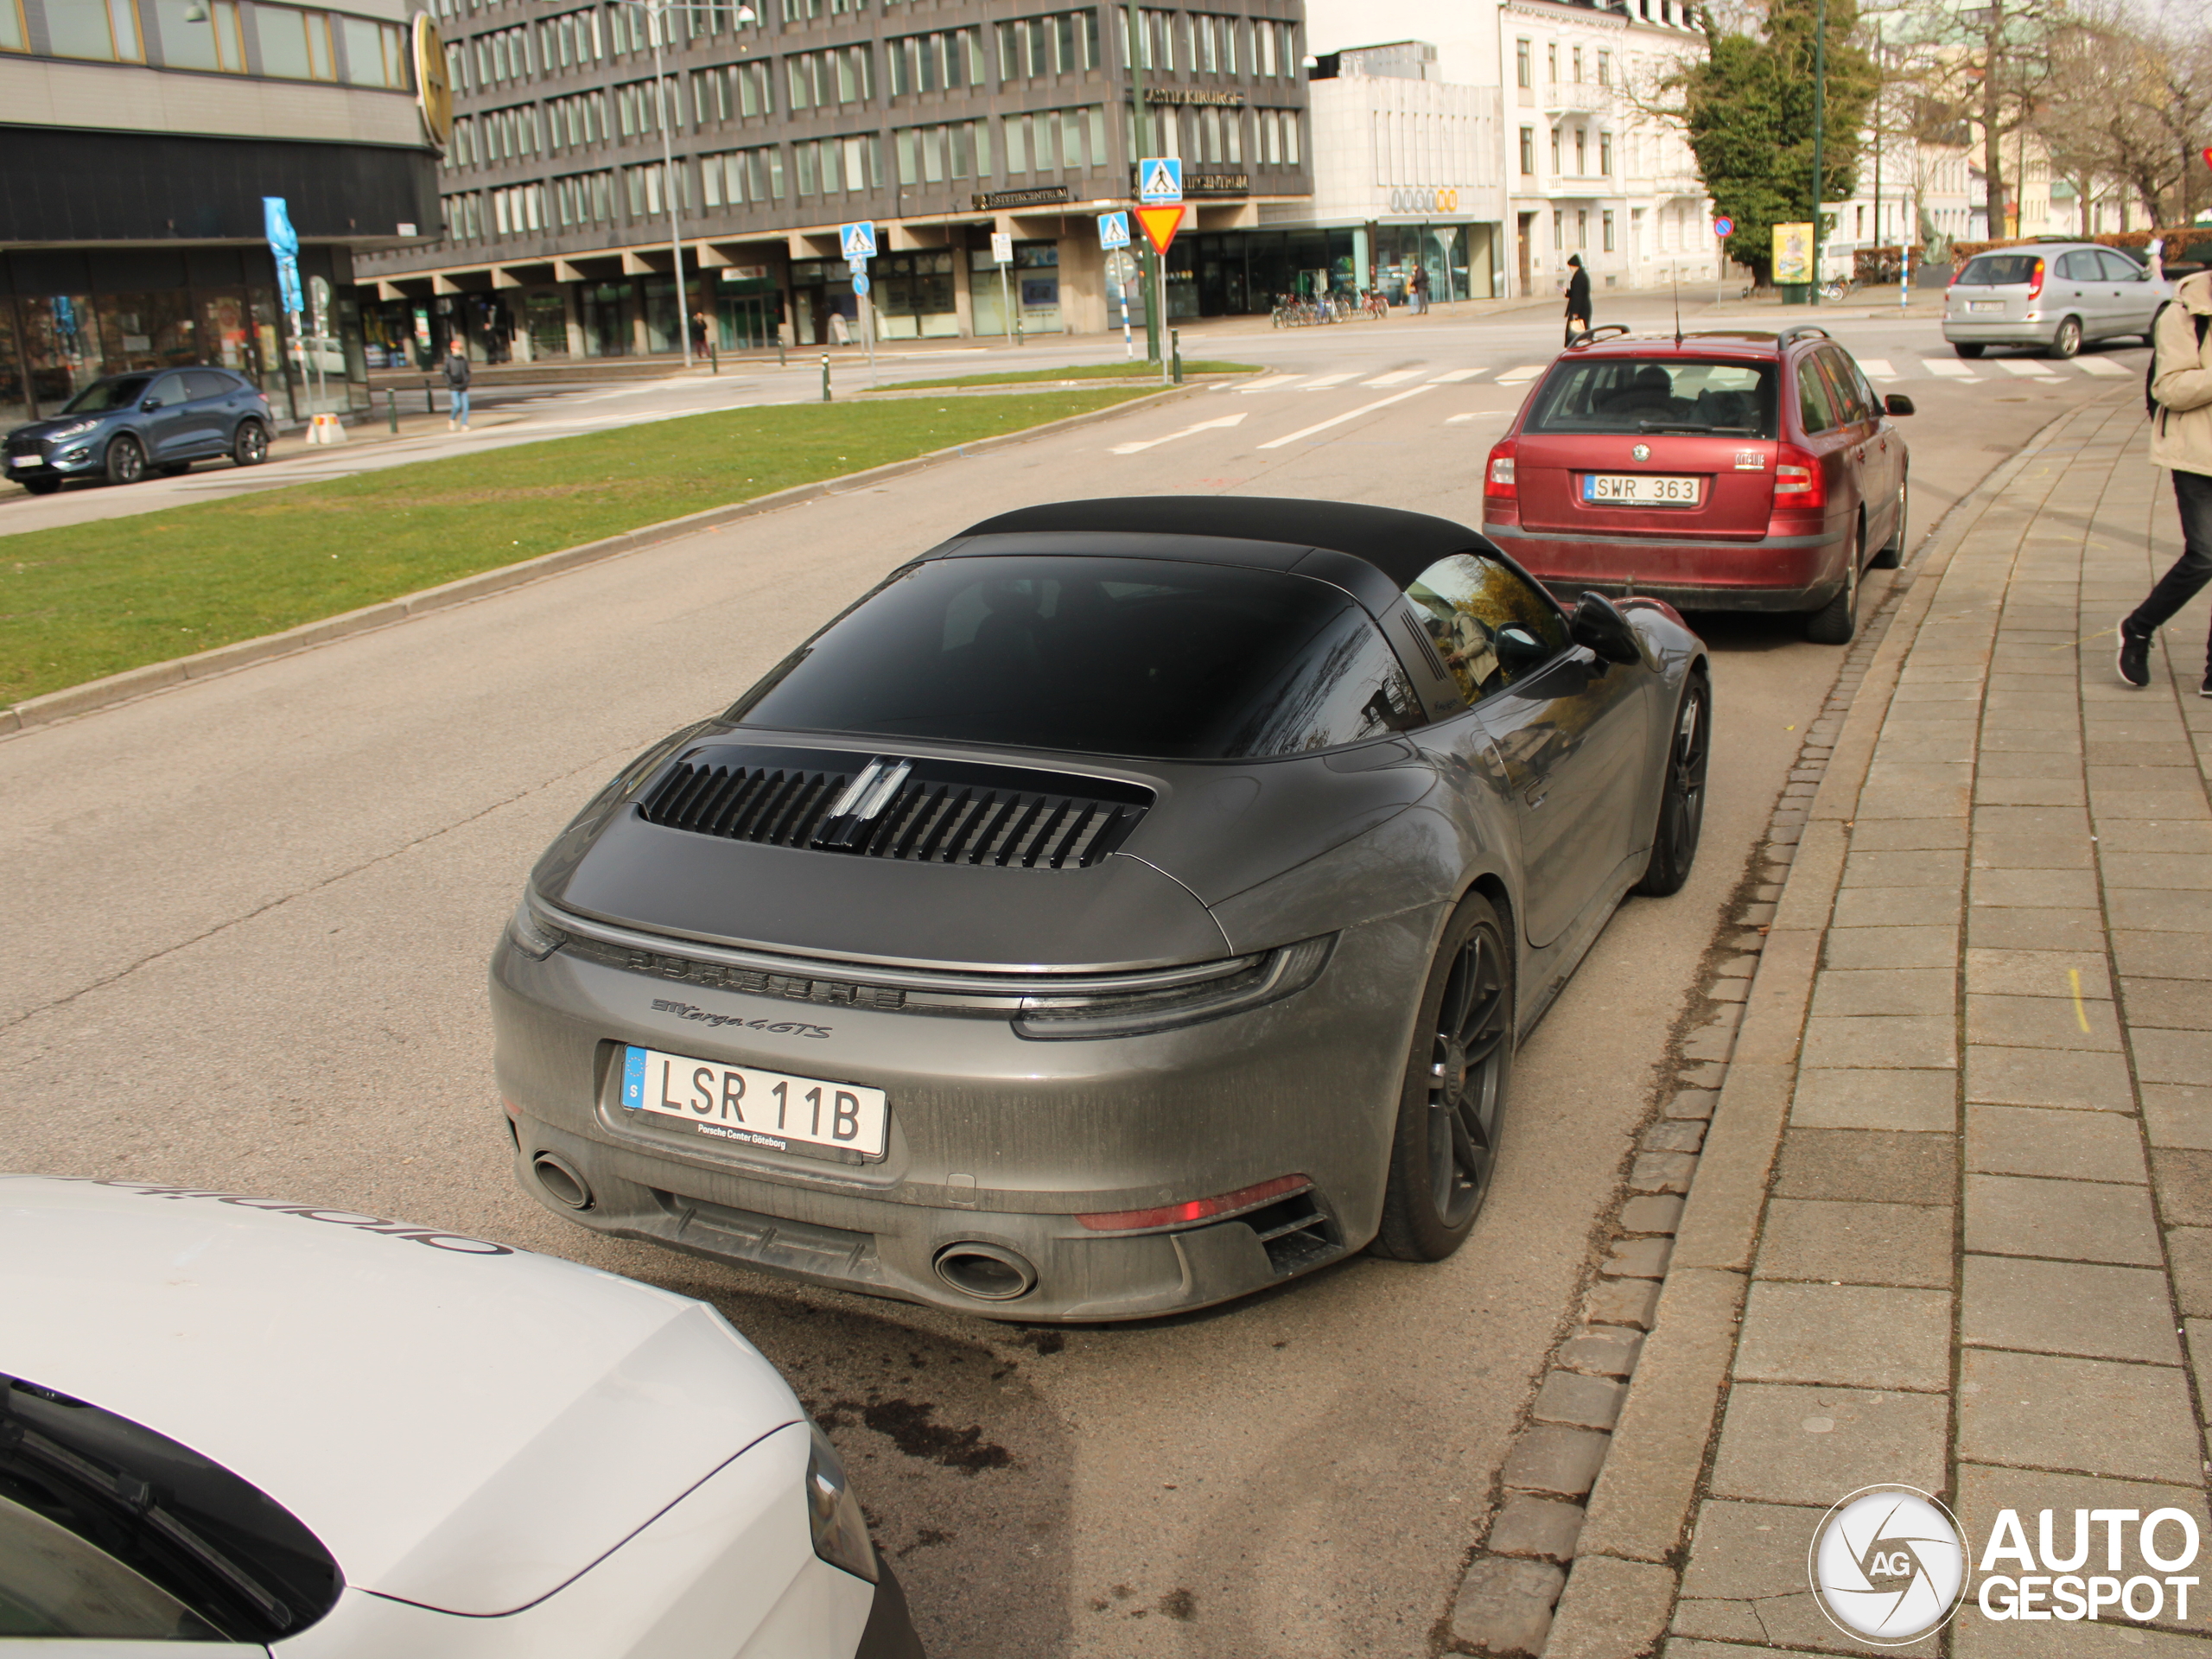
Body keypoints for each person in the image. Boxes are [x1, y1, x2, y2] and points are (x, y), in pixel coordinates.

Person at [2117, 257, 2212, 696]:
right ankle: (2138, 627)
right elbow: (2168, 388)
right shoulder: (2184, 315)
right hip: (2196, 453)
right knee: (2205, 555)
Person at [442, 336, 472, 433]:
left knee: (466, 406)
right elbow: (445, 372)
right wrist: (450, 383)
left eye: (460, 349)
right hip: (454, 386)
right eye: (457, 348)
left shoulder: (463, 360)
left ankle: (464, 424)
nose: (459, 350)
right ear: (452, 349)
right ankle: (452, 419)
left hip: (463, 386)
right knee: (457, 405)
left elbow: (467, 371)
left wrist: (467, 381)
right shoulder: (449, 360)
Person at [1564, 253, 1592, 346]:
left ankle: (1577, 346)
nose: (1570, 269)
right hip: (1584, 307)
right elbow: (1576, 293)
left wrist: (1575, 312)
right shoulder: (1582, 274)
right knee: (1583, 329)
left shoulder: (1578, 277)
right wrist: (1567, 292)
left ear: (1574, 266)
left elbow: (1578, 296)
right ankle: (1585, 344)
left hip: (1580, 309)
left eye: (1571, 267)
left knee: (1578, 331)